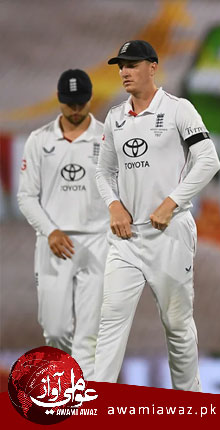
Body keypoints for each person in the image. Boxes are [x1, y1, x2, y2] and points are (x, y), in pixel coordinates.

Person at [94, 40, 220, 390]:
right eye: (121, 66)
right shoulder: (116, 117)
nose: (125, 72)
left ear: (152, 67)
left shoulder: (179, 110)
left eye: (132, 65)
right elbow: (103, 171)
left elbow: (209, 161)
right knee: (110, 323)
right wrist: (113, 204)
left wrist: (172, 202)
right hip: (125, 239)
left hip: (170, 234)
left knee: (177, 326)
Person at [17, 69, 107, 379]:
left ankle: (82, 401)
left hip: (97, 242)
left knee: (89, 337)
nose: (76, 109)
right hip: (53, 243)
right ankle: (67, 382)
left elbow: (122, 191)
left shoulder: (108, 138)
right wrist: (50, 230)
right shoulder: (39, 140)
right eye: (70, 103)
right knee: (55, 331)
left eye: (81, 102)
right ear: (59, 99)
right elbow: (26, 196)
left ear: (90, 99)